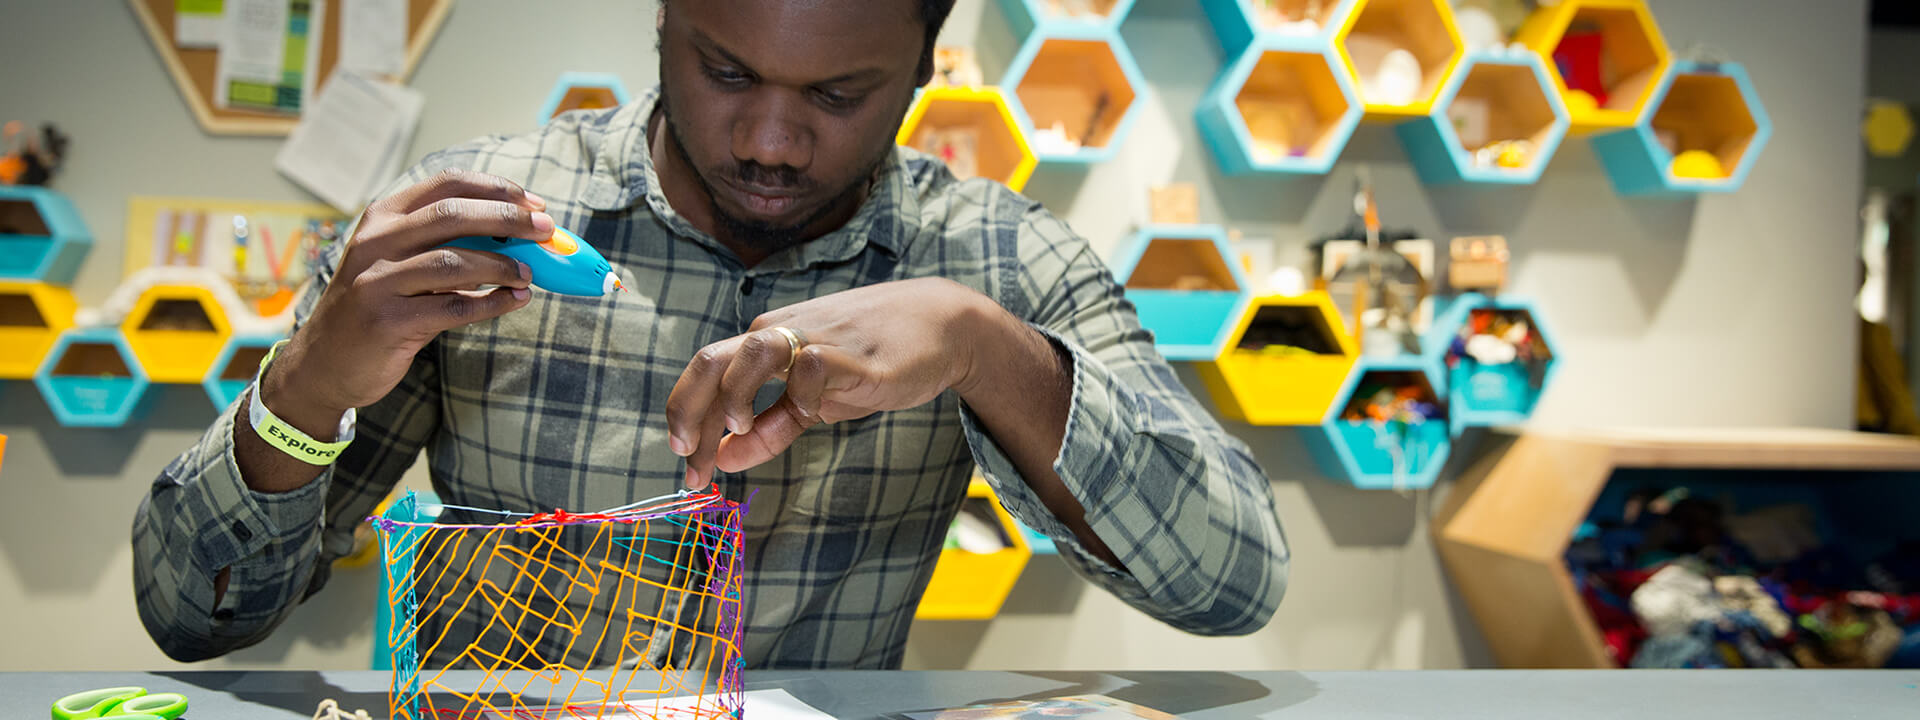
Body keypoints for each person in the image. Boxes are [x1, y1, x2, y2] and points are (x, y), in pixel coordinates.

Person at [133, 0, 1289, 670]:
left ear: (923, 74)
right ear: (661, 26)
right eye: (726, 72)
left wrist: (983, 350)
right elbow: (190, 611)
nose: (773, 142)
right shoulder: (474, 219)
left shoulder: (995, 263)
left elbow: (1232, 586)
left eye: (838, 96)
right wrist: (307, 386)